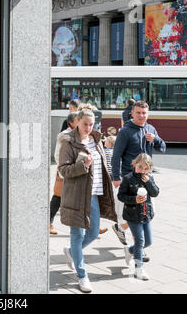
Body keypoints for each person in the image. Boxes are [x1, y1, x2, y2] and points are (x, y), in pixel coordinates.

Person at [58, 109, 117, 293]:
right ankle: (82, 275)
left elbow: (103, 165)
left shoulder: (96, 139)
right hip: (76, 195)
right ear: (77, 121)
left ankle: (71, 252)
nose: (88, 128)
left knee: (92, 233)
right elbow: (63, 170)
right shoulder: (69, 142)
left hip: (95, 194)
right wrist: (84, 165)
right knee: (77, 235)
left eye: (92, 124)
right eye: (85, 124)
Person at [111, 100, 166, 260]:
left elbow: (163, 148)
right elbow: (116, 156)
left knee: (147, 212)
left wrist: (155, 139)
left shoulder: (150, 129)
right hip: (129, 179)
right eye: (138, 113)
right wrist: (116, 177)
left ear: (148, 114)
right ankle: (139, 249)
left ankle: (124, 232)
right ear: (132, 113)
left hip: (146, 178)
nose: (141, 116)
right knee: (136, 212)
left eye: (144, 113)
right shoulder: (125, 131)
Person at [118, 153, 159, 280]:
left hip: (146, 214)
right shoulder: (128, 178)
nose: (143, 170)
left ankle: (130, 250)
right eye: (140, 167)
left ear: (150, 168)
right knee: (140, 241)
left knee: (148, 241)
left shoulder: (149, 178)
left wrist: (150, 183)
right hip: (132, 215)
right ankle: (138, 268)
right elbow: (121, 196)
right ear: (135, 164)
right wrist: (134, 199)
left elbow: (155, 193)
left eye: (146, 168)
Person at [50, 112, 78, 235]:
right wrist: (65, 169)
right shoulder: (64, 135)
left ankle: (91, 225)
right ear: (71, 122)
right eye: (79, 119)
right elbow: (58, 155)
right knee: (58, 197)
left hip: (78, 172)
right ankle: (48, 222)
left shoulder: (82, 134)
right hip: (66, 172)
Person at [104, 135, 129, 244]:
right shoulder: (120, 154)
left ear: (109, 143)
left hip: (110, 181)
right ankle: (120, 227)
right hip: (118, 181)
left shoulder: (106, 153)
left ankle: (120, 227)